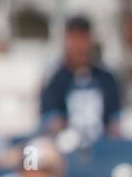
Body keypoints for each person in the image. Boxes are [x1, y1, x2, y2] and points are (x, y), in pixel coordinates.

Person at [38, 15, 122, 145]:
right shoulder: (55, 80)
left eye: (84, 39)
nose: (80, 46)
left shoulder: (107, 79)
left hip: (101, 149)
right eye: (75, 40)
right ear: (67, 41)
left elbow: (114, 122)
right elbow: (51, 122)